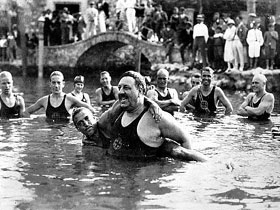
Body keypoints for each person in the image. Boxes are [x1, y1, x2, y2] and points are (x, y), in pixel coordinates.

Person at [72, 71, 207, 162]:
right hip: (120, 180)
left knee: (177, 152)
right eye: (119, 88)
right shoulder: (89, 140)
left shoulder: (157, 117)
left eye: (127, 88)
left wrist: (183, 173)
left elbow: (185, 141)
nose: (121, 92)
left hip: (145, 175)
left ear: (141, 90)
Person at [23, 71, 95, 121]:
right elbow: (26, 112)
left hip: (65, 133)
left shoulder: (70, 99)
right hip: (50, 132)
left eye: (58, 83)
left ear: (63, 84)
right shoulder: (44, 100)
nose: (56, 86)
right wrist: (35, 121)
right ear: (50, 84)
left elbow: (90, 109)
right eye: (54, 83)